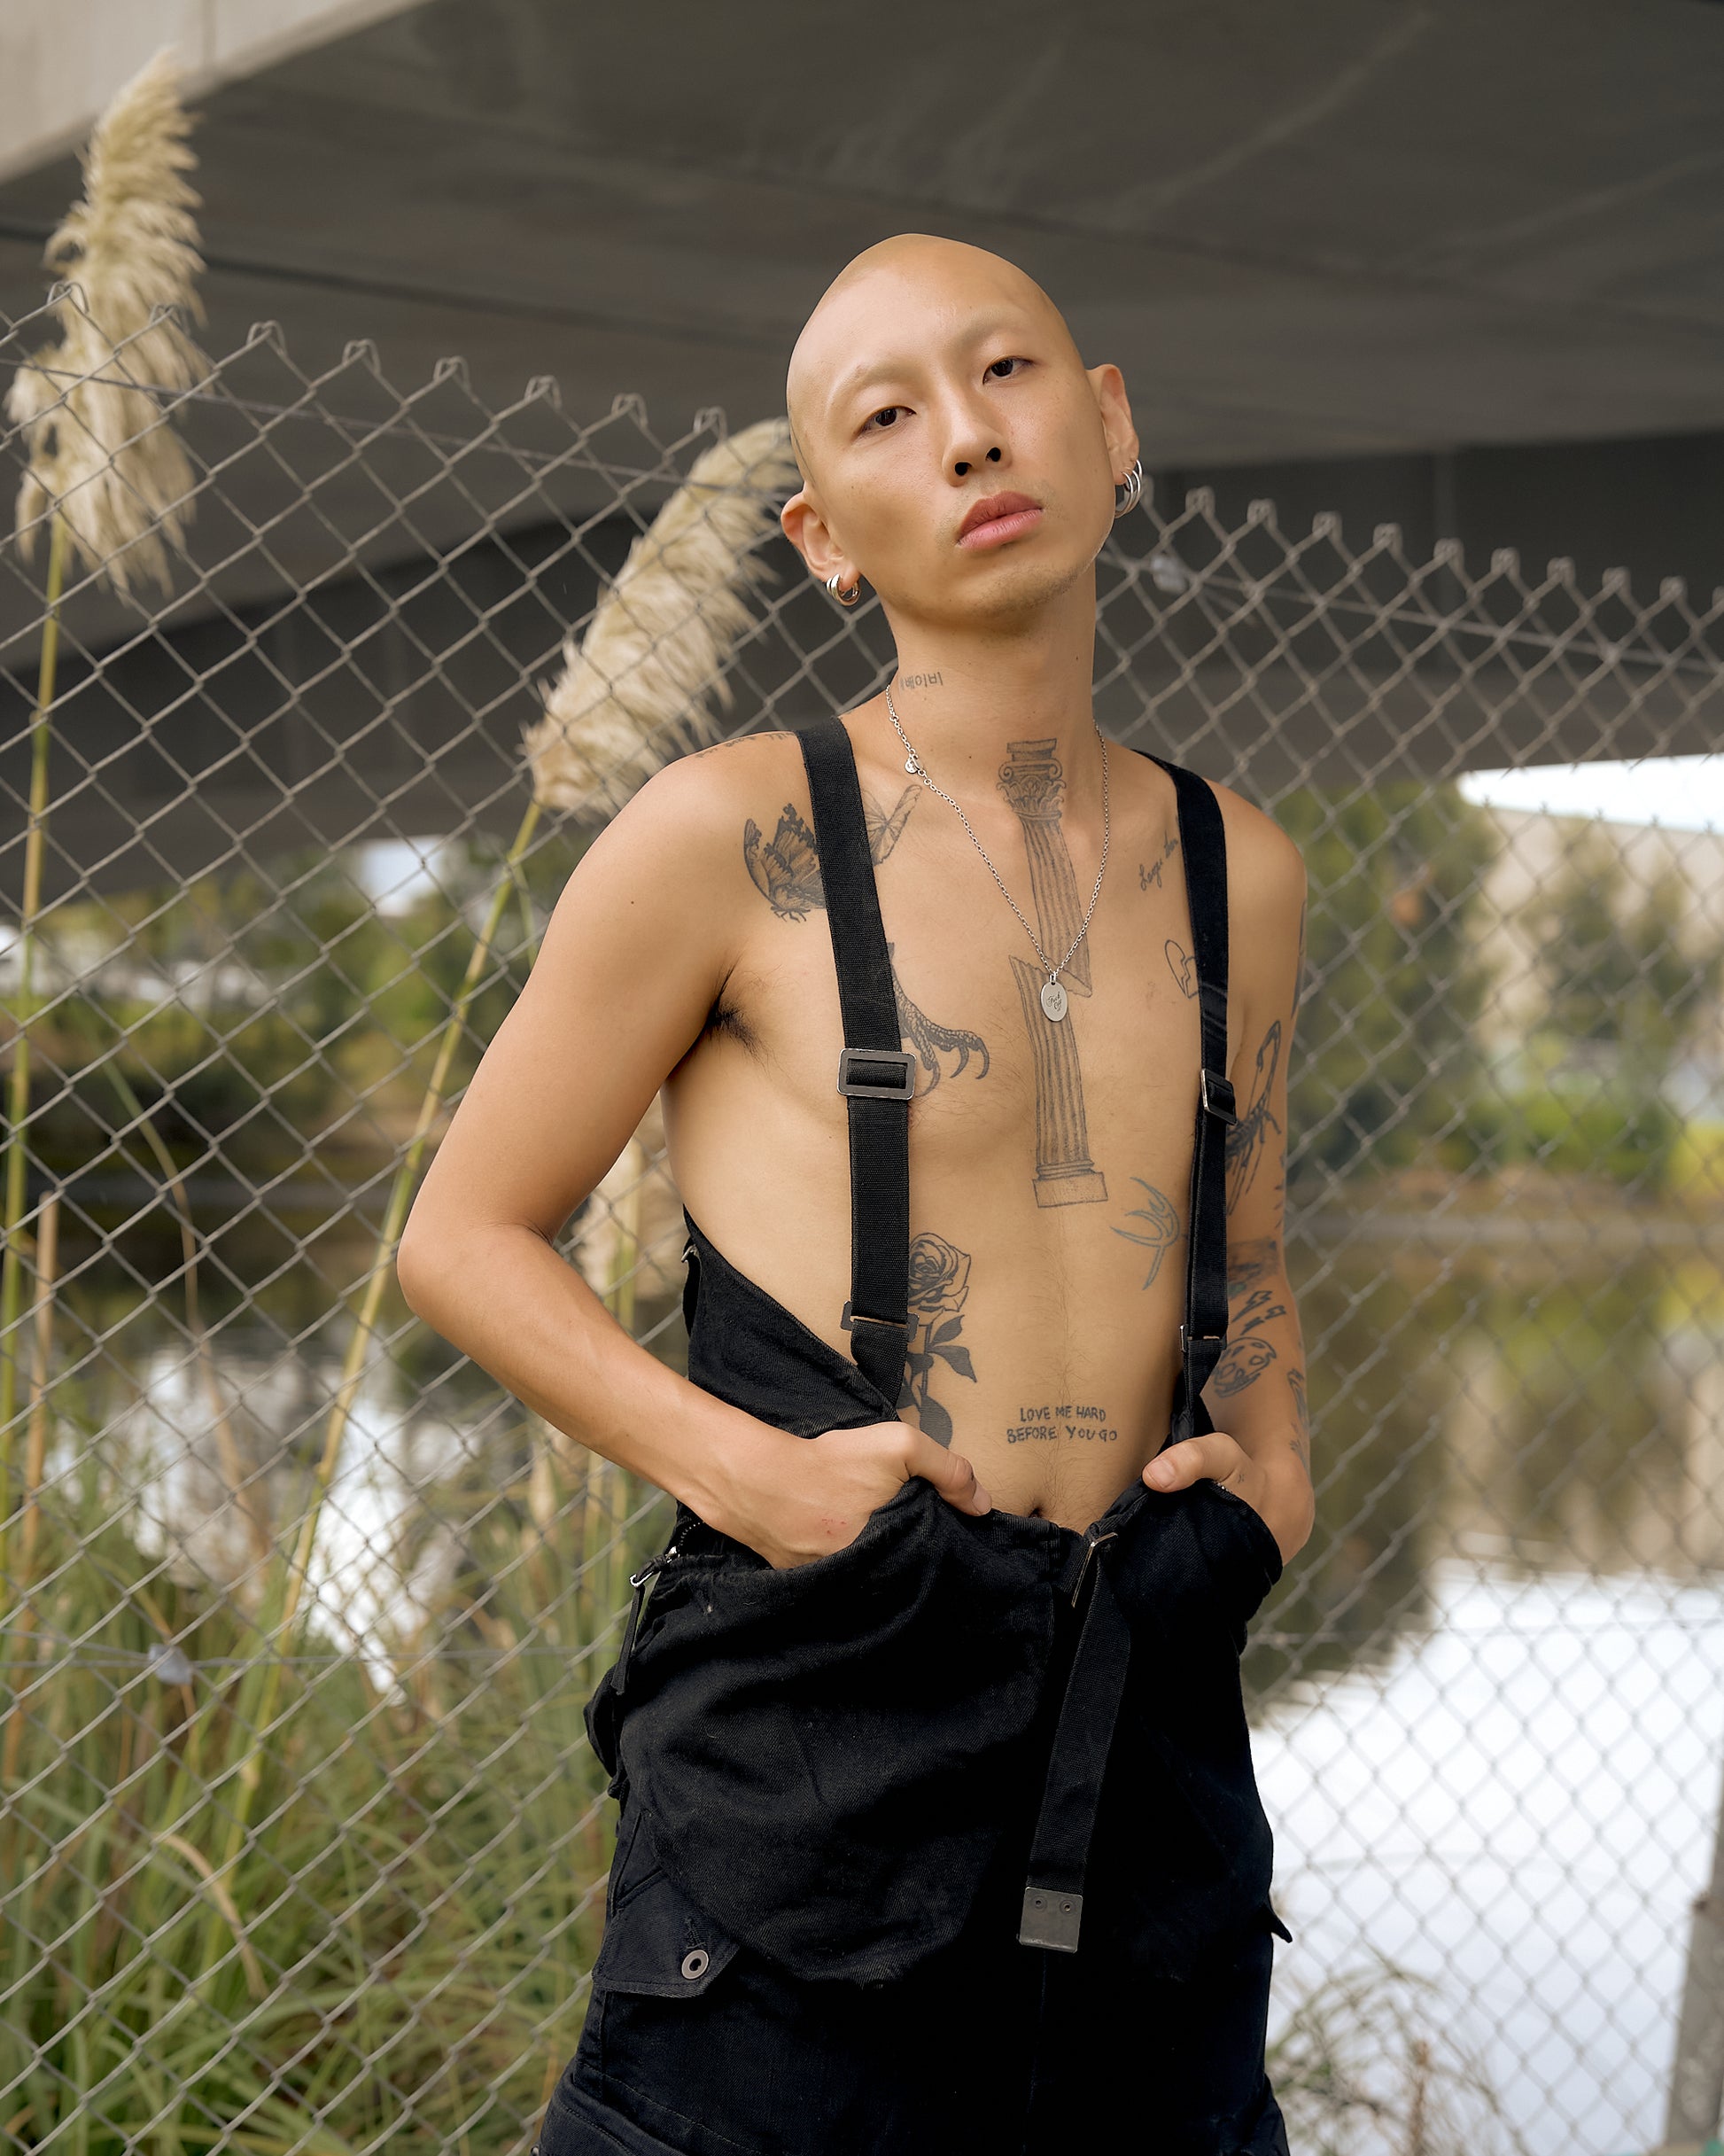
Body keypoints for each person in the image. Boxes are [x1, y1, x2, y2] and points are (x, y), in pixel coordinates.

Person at [397, 231, 1314, 2156]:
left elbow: (1244, 1252)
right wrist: (742, 1472)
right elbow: (462, 1236)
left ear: (1109, 423)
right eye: (887, 417)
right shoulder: (722, 832)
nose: (968, 436)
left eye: (1006, 373)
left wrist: (1275, 1479)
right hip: (808, 1769)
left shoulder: (1243, 862)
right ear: (821, 538)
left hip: (1147, 1772)